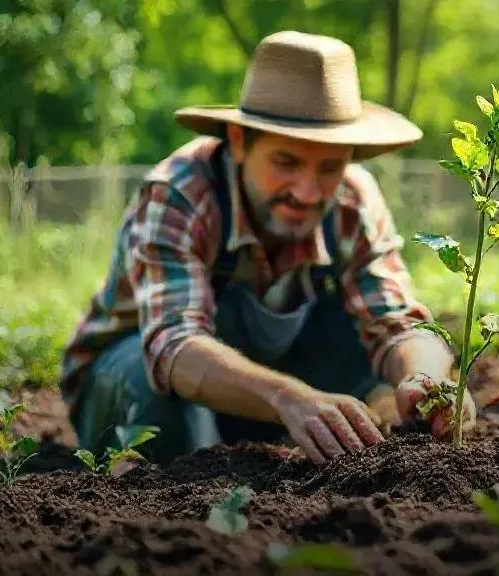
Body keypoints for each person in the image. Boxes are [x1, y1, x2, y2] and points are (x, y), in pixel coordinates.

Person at [59, 30, 476, 465]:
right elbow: (174, 347)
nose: (308, 192)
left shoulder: (353, 199)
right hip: (130, 379)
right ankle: (188, 466)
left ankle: (283, 442)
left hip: (261, 394)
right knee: (154, 394)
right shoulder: (181, 194)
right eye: (287, 163)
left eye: (329, 168)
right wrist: (288, 398)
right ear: (239, 143)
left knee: (361, 336)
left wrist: (426, 377)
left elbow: (397, 322)